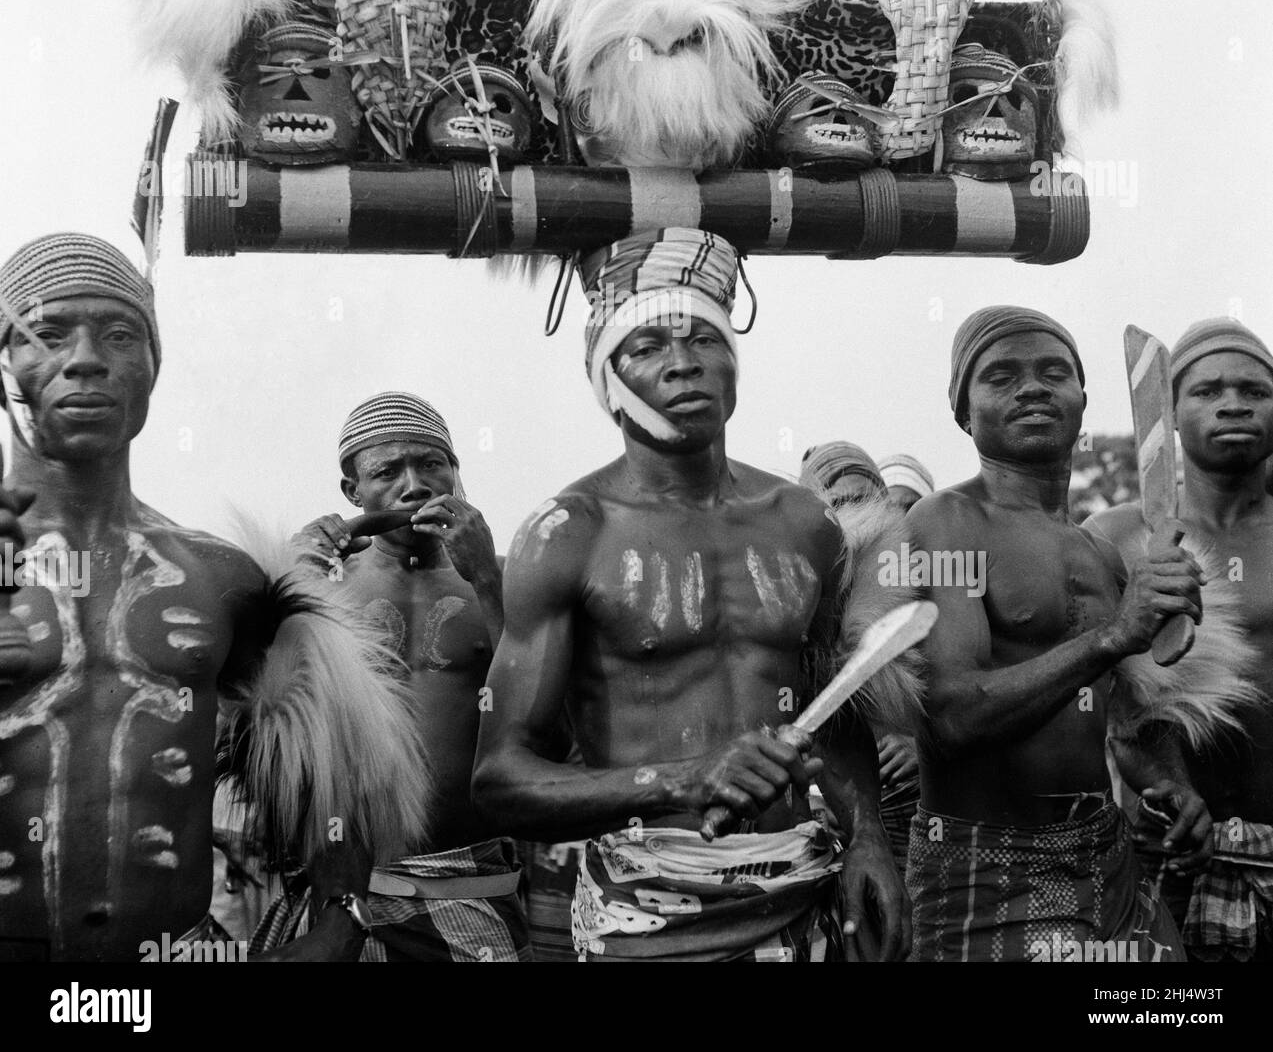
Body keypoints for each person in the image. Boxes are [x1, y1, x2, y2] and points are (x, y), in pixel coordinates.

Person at [474, 227, 910, 962]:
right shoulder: (567, 535)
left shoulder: (801, 522)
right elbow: (500, 777)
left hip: (800, 895)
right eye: (645, 349)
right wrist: (679, 777)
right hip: (643, 910)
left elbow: (831, 713)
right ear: (606, 382)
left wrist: (867, 838)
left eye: (704, 338)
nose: (683, 363)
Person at [0, 233, 427, 961]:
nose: (84, 358)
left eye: (118, 333)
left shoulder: (220, 579)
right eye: (44, 333)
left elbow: (344, 774)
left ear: (151, 366)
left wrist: (338, 922)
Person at [904, 304, 1213, 962]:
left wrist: (1169, 785)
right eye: (1000, 376)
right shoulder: (944, 523)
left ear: (1081, 399)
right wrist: (1110, 637)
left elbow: (1122, 722)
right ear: (962, 411)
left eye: (1052, 371)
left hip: (1105, 855)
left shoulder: (1100, 551)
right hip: (985, 867)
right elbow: (950, 718)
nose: (1032, 387)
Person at [251, 392, 531, 962]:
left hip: (471, 885)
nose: (415, 485)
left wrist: (488, 582)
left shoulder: (506, 578)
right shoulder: (319, 588)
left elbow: (540, 722)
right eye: (387, 472)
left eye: (433, 464)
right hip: (343, 899)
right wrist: (285, 583)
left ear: (456, 472)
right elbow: (263, 723)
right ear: (352, 493)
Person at [1087, 318, 1273, 961]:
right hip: (1169, 849)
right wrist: (1158, 778)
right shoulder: (1115, 537)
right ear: (1166, 412)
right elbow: (1096, 691)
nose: (1233, 403)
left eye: (1255, 389)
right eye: (1208, 390)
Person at [800, 442, 918, 872]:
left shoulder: (916, 582)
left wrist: (918, 746)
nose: (855, 514)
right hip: (824, 822)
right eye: (838, 502)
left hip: (916, 813)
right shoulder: (794, 593)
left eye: (865, 500)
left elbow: (960, 696)